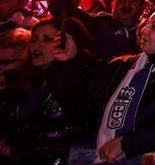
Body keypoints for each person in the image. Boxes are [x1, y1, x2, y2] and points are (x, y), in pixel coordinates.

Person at [94, 0, 155, 162]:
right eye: (146, 23)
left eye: (154, 26)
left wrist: (127, 144)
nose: (144, 30)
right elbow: (88, 108)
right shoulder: (124, 66)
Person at [2, 17, 96, 161]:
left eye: (47, 39)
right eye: (34, 40)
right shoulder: (27, 81)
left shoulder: (80, 80)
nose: (36, 46)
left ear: (68, 44)